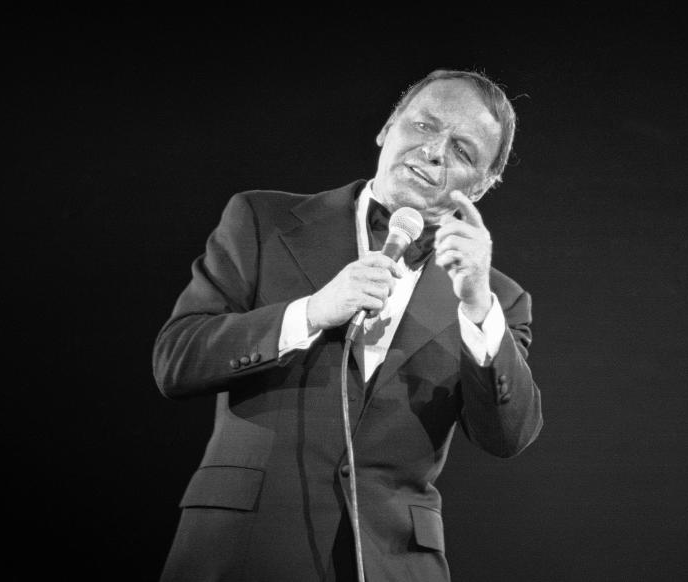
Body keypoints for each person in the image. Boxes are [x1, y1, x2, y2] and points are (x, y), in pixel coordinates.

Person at [153, 69, 543, 582]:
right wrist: (312, 311)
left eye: (463, 152)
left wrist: (476, 306)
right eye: (424, 126)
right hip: (243, 551)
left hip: (392, 563)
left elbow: (506, 437)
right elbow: (176, 360)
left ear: (484, 185)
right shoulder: (262, 220)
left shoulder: (498, 300)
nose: (433, 152)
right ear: (387, 127)